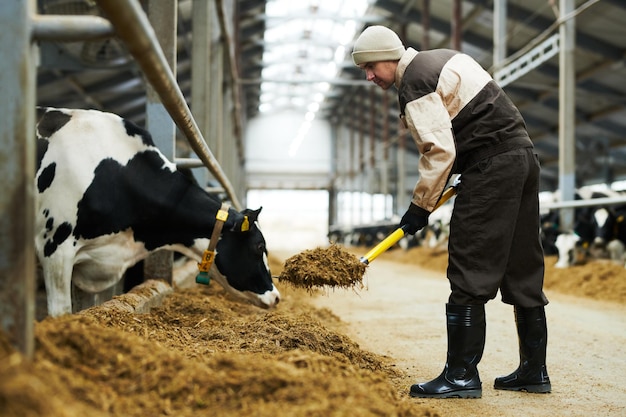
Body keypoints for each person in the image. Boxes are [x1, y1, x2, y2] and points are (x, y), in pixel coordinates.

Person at [351, 25, 551, 399]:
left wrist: (420, 205)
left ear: (389, 56)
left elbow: (439, 150)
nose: (369, 76)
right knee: (522, 263)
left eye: (371, 67)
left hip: (491, 165)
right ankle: (533, 371)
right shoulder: (441, 58)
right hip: (522, 157)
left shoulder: (415, 80)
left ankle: (460, 375)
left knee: (470, 261)